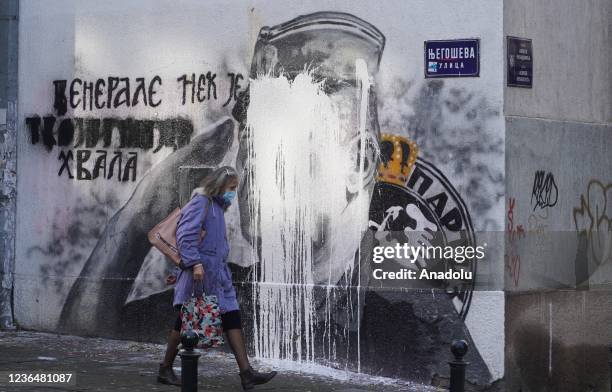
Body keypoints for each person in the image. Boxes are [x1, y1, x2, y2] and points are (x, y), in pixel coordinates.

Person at [157, 166, 277, 390]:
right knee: (184, 321)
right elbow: (184, 236)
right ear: (220, 186)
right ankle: (165, 368)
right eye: (231, 188)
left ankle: (247, 374)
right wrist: (195, 264)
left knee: (231, 316)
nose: (233, 192)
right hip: (201, 275)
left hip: (218, 276)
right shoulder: (201, 203)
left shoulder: (217, 207)